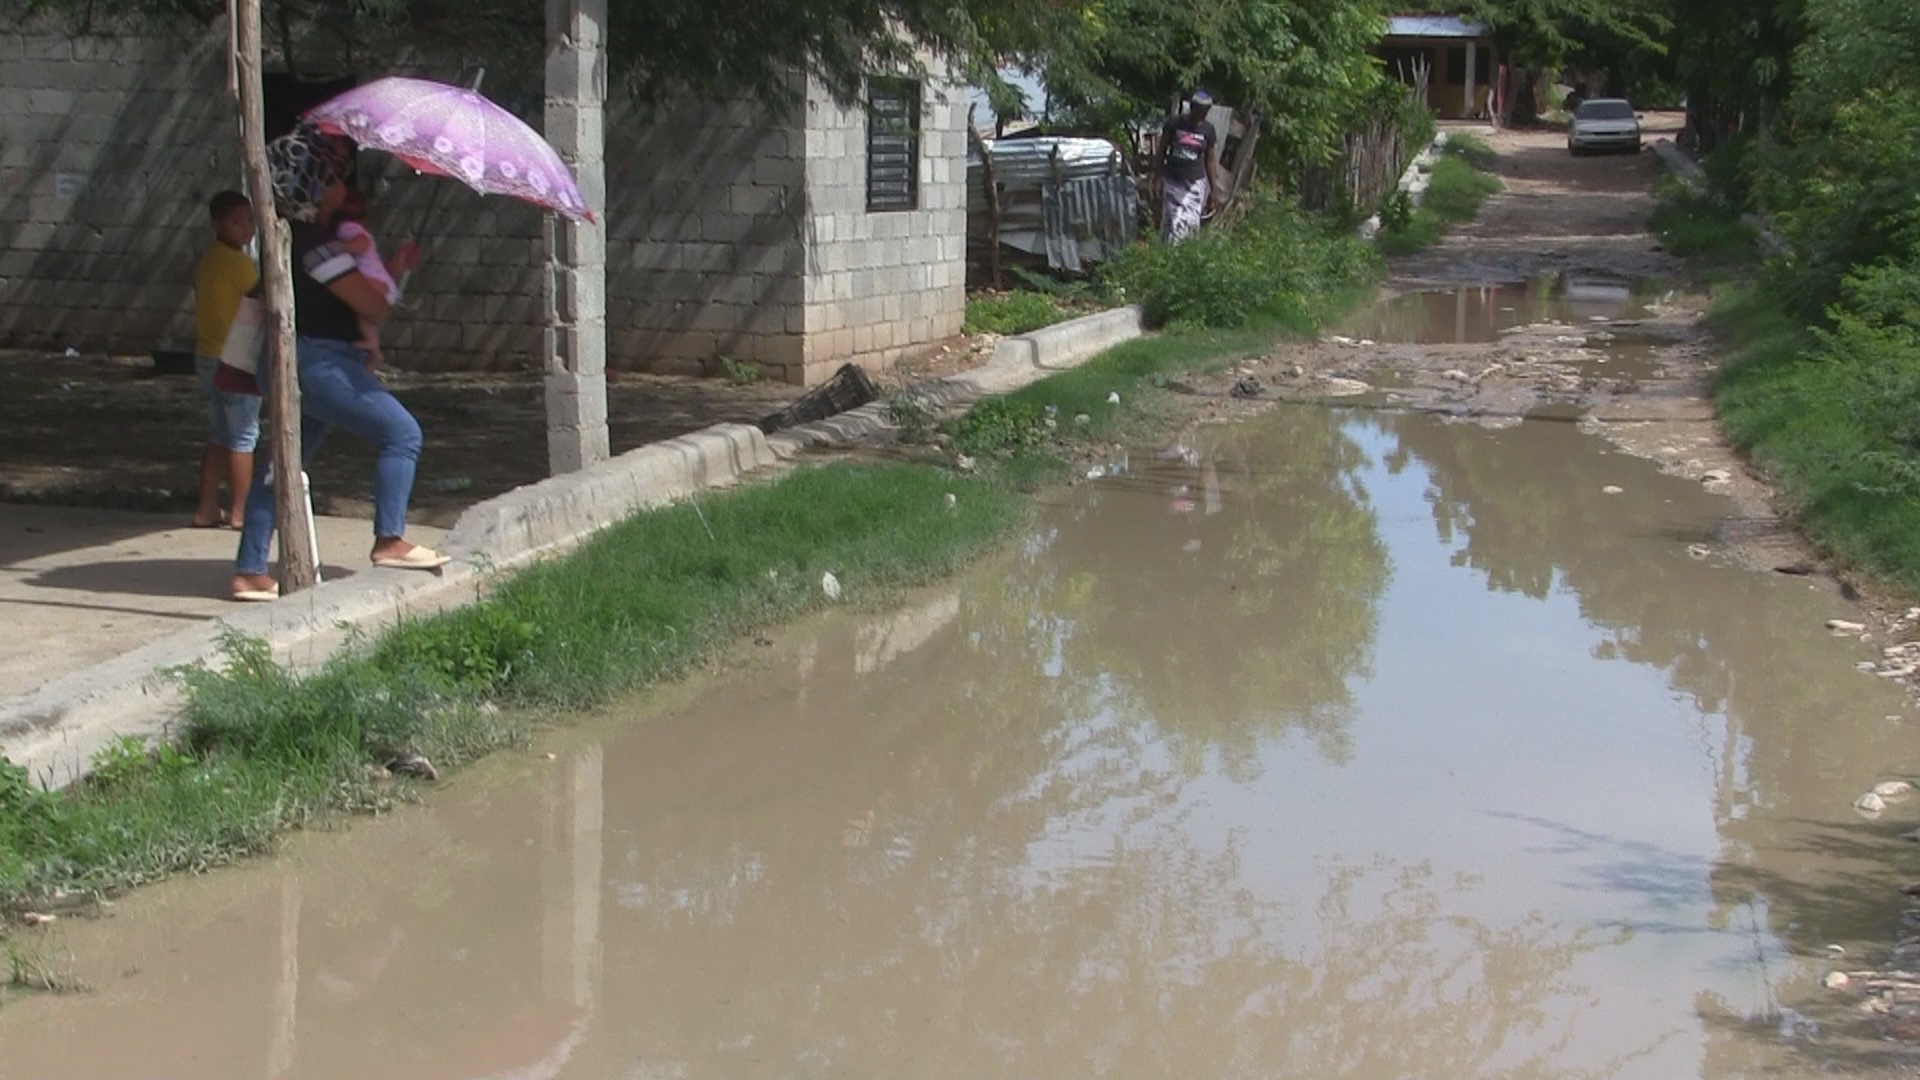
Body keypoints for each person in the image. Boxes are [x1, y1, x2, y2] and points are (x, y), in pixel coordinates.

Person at [230, 125, 442, 603]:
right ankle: (390, 539)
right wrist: (385, 290)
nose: (342, 187)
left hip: (294, 359)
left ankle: (249, 570)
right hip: (318, 361)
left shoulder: (289, 240)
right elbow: (371, 306)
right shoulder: (318, 245)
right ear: (314, 185)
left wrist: (393, 267)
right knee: (402, 434)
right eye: (333, 178)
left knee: (282, 463)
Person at [191, 190, 261, 529]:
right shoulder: (240, 265)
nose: (246, 228)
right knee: (243, 437)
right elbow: (262, 300)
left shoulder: (209, 259)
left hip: (206, 356)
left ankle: (206, 507)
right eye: (237, 221)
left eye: (249, 220)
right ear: (216, 224)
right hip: (235, 360)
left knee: (219, 434)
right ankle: (240, 512)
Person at [330, 188, 400, 369]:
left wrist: (341, 248)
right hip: (383, 283)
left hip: (374, 280)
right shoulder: (356, 227)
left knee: (358, 303)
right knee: (365, 316)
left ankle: (371, 344)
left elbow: (362, 243)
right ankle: (373, 349)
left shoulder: (347, 228)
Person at [1152, 89, 1222, 243]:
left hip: (1194, 184)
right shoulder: (1174, 123)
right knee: (1173, 221)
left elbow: (1210, 160)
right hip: (1173, 180)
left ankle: (1184, 257)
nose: (1201, 115)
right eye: (1199, 111)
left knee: (1190, 223)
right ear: (1192, 108)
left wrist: (1214, 190)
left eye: (1205, 112)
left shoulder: (1208, 130)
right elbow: (1162, 151)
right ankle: (1169, 257)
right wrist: (1157, 177)